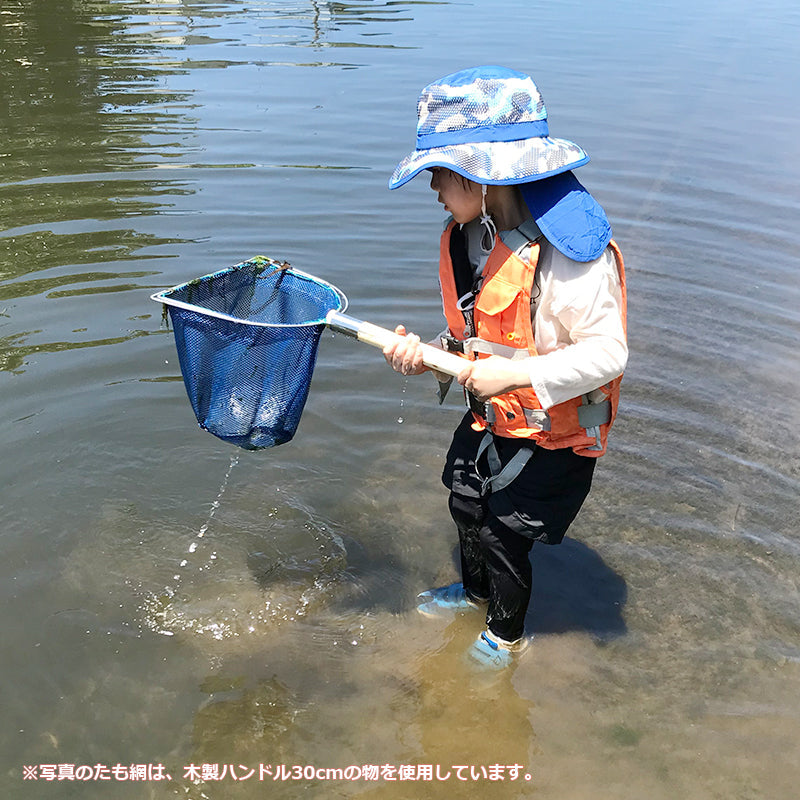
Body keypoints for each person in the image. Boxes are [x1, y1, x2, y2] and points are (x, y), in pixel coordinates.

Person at [383, 66, 627, 669]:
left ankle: (505, 635)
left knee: (502, 532)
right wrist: (429, 356)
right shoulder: (471, 236)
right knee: (464, 500)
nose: (435, 189)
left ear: (484, 177)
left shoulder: (570, 257)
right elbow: (481, 333)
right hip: (492, 414)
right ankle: (470, 594)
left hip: (553, 429)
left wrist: (515, 378)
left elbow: (608, 353)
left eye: (441, 174)